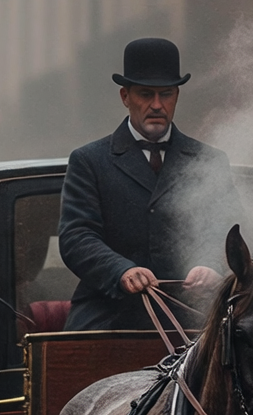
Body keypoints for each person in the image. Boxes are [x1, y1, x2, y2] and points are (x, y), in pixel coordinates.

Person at [56, 36, 236, 331]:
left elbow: (230, 229)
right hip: (110, 314)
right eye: (145, 94)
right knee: (73, 372)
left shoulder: (209, 160)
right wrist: (121, 270)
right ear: (125, 96)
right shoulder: (89, 161)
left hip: (193, 315)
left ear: (176, 96)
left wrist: (212, 265)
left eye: (165, 94)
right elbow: (76, 236)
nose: (156, 105)